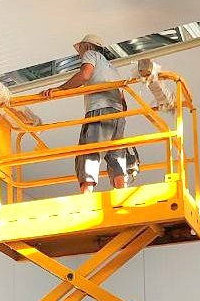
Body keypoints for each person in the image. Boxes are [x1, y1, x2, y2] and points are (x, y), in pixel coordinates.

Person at [41, 34, 134, 194]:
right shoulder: (112, 69)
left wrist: (59, 89)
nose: (80, 54)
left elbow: (85, 75)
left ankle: (86, 195)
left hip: (100, 110)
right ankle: (121, 192)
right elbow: (123, 102)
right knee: (115, 154)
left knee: (88, 151)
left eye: (81, 49)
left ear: (89, 46)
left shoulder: (92, 55)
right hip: (118, 115)